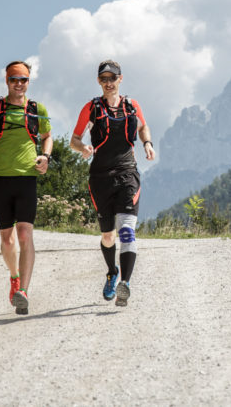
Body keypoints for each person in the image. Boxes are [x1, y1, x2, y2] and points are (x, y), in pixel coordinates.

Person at [70, 59, 155, 307]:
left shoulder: (132, 106)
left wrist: (147, 143)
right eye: (104, 79)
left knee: (127, 231)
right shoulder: (92, 109)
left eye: (112, 78)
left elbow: (144, 126)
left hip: (128, 173)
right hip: (100, 178)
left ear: (120, 79)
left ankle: (125, 284)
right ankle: (112, 272)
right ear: (99, 81)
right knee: (108, 236)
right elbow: (74, 139)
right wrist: (82, 147)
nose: (108, 83)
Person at [0, 61, 53, 315]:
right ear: (6, 81)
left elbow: (47, 136)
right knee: (7, 242)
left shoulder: (36, 109)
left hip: (27, 179)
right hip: (0, 179)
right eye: (14, 80)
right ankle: (14, 277)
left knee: (24, 235)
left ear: (29, 82)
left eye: (23, 80)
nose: (18, 84)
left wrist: (46, 157)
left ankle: (24, 292)